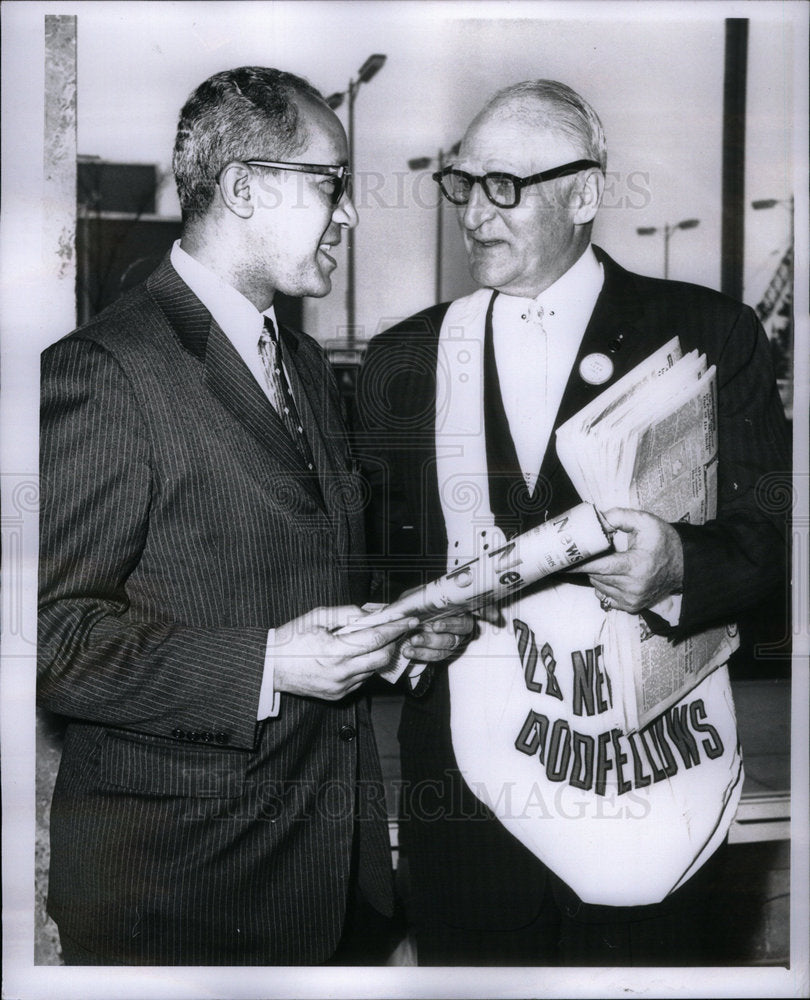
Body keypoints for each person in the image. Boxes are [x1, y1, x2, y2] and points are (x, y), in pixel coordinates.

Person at [38, 65, 471, 966]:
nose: (350, 214)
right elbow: (51, 640)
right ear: (243, 187)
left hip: (333, 878)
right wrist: (273, 663)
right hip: (180, 893)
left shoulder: (305, 365)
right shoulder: (103, 371)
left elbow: (298, 575)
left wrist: (390, 632)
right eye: (332, 184)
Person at [356, 79, 790, 966]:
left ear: (585, 194)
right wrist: (408, 621)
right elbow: (374, 563)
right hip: (468, 813)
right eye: (463, 184)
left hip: (649, 783)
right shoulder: (402, 357)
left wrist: (677, 569)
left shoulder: (708, 332)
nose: (475, 212)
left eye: (504, 186)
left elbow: (772, 544)